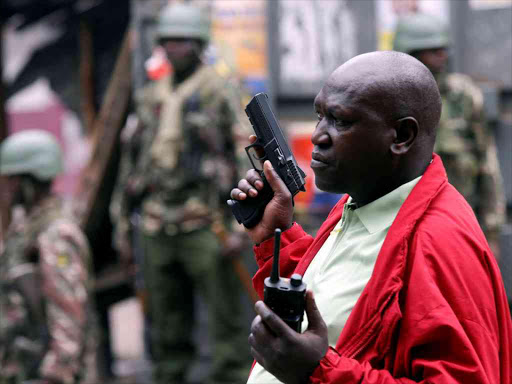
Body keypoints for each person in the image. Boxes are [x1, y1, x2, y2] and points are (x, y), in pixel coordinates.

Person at [230, 51, 512, 383]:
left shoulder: (440, 244)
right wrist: (277, 235)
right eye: (320, 115)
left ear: (402, 136)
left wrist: (318, 372)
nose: (318, 136)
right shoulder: (362, 202)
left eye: (341, 121)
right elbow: (335, 310)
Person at [112, 3, 251, 383]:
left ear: (198, 44)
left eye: (183, 42)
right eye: (168, 42)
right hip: (158, 224)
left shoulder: (217, 91)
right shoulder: (151, 96)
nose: (175, 49)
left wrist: (241, 227)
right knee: (166, 327)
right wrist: (122, 225)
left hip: (207, 223)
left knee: (227, 326)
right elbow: (132, 162)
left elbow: (243, 154)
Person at [393, 13, 506, 257]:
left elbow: (487, 164)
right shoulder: (391, 99)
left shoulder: (463, 96)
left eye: (443, 49)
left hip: (460, 221)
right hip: (405, 224)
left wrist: (492, 231)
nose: (442, 56)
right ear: (411, 53)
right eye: (433, 50)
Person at [0, 129, 97, 384]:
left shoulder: (56, 234)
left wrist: (56, 373)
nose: (6, 187)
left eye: (11, 179)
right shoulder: (25, 227)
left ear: (29, 181)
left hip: (47, 372)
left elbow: (68, 311)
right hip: (23, 364)